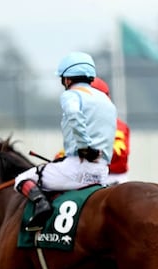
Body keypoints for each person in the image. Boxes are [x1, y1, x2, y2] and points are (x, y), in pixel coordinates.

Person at [15, 51, 118, 231]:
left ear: (67, 80)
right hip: (102, 172)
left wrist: (85, 147)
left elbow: (73, 115)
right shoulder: (105, 99)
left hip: (76, 169)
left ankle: (42, 209)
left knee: (22, 179)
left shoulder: (71, 94)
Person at [53, 77, 131, 184]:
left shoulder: (118, 126)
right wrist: (59, 160)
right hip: (85, 173)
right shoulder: (79, 124)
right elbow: (68, 151)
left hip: (111, 178)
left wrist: (89, 154)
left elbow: (118, 155)